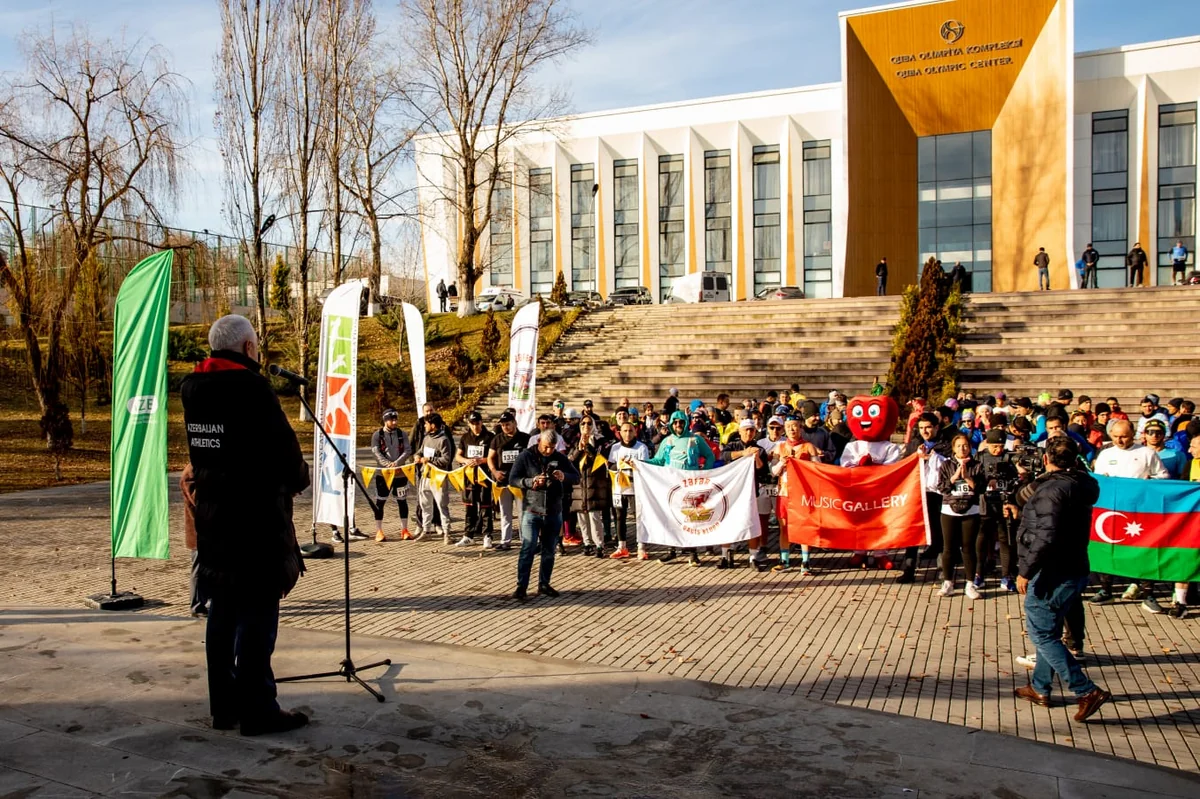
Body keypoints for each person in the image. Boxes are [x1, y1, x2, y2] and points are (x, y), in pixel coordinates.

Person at [180, 314, 310, 736]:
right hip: (254, 523)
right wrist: (298, 479)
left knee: (221, 614)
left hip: (214, 521)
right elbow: (284, 450)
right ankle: (258, 711)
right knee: (256, 618)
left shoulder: (192, 387)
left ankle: (225, 708)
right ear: (249, 349)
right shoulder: (253, 389)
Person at [1011, 437, 1111, 722]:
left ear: (1046, 459)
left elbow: (1046, 536)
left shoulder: (1051, 490)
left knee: (1041, 634)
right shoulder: (1081, 483)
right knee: (1050, 633)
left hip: (1053, 572)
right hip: (1073, 566)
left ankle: (1085, 689)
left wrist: (1025, 571)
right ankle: (1040, 688)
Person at [1090, 419, 1169, 608]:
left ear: (1133, 434)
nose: (1120, 440)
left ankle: (1148, 593)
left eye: (1124, 436)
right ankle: (1106, 589)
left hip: (1139, 512)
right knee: (1107, 548)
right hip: (1111, 511)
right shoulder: (1106, 454)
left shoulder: (1146, 453)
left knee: (1144, 550)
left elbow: (1164, 476)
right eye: (1116, 436)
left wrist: (1152, 480)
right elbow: (1097, 478)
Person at [508, 430, 580, 601]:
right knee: (528, 547)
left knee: (549, 550)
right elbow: (513, 478)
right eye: (546, 447)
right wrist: (530, 482)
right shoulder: (526, 456)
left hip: (553, 510)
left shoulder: (559, 457)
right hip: (531, 510)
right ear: (539, 441)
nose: (549, 451)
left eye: (552, 448)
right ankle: (521, 586)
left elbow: (576, 477)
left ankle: (544, 584)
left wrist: (564, 476)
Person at [648, 410, 716, 565]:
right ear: (671, 424)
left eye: (681, 422)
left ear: (686, 423)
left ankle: (693, 554)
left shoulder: (695, 439)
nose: (678, 425)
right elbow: (658, 461)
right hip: (671, 486)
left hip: (690, 486)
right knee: (671, 518)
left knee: (690, 518)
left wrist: (703, 474)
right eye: (676, 422)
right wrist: (641, 463)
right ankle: (671, 551)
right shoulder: (667, 441)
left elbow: (710, 456)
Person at [770, 419, 822, 575]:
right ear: (784, 430)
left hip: (802, 494)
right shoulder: (779, 447)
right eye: (788, 427)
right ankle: (784, 561)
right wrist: (781, 463)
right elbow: (773, 471)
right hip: (784, 492)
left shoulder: (809, 447)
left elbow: (818, 469)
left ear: (800, 428)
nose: (791, 429)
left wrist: (805, 462)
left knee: (803, 527)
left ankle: (805, 562)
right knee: (784, 527)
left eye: (794, 426)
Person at [936, 434, 984, 599]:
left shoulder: (977, 465)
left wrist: (968, 477)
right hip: (949, 510)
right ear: (953, 448)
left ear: (969, 447)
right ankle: (948, 582)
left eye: (965, 446)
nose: (962, 449)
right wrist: (955, 476)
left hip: (971, 510)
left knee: (968, 548)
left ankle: (970, 583)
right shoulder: (946, 465)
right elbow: (942, 488)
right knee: (949, 548)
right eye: (958, 446)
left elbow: (981, 488)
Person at [568, 416, 612, 557]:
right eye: (583, 423)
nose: (586, 426)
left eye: (588, 423)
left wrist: (587, 446)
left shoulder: (600, 440)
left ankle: (599, 545)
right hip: (580, 484)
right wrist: (579, 448)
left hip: (595, 484)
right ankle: (587, 544)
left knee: (594, 516)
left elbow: (599, 460)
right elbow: (570, 461)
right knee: (582, 516)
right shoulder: (576, 441)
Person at [487, 411, 528, 551]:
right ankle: (505, 541)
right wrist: (494, 471)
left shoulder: (525, 438)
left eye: (508, 424)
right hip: (503, 482)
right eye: (503, 425)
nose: (505, 427)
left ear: (514, 423)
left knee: (523, 512)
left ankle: (525, 540)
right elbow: (490, 457)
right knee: (505, 512)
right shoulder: (497, 439)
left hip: (519, 481)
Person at [609, 421, 650, 560]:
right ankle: (622, 547)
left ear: (635, 432)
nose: (627, 433)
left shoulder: (641, 448)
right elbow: (610, 467)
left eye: (630, 430)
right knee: (620, 518)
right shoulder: (615, 448)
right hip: (619, 489)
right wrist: (617, 466)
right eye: (625, 430)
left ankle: (641, 548)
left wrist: (635, 465)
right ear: (619, 432)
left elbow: (646, 468)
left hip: (636, 489)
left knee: (639, 518)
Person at [454, 411, 494, 548]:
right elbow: (458, 456)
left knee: (485, 507)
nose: (475, 426)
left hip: (485, 478)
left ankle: (487, 535)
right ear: (469, 424)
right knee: (470, 507)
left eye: (477, 423)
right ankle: (468, 535)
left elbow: (493, 456)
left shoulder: (489, 437)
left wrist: (481, 460)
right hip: (469, 478)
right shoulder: (465, 437)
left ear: (481, 422)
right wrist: (466, 461)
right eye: (472, 424)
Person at [370, 409, 410, 542]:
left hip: (400, 473)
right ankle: (379, 530)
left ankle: (404, 529)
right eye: (391, 420)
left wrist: (397, 464)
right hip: (383, 475)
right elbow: (376, 452)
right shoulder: (377, 435)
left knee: (402, 501)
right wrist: (388, 465)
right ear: (385, 420)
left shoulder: (402, 434)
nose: (394, 422)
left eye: (396, 419)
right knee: (380, 502)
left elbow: (407, 450)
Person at [415, 413, 455, 544]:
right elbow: (420, 451)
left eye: (426, 423)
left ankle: (447, 532)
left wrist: (430, 460)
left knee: (442, 505)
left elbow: (446, 459)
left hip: (438, 478)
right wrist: (417, 456)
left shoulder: (443, 439)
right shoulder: (426, 438)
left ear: (433, 425)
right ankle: (426, 530)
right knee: (425, 504)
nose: (425, 426)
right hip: (425, 476)